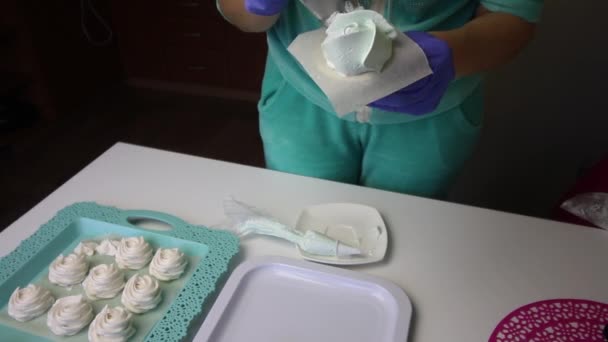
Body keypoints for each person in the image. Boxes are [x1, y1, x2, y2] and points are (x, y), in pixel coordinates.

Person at [217, 0, 543, 198]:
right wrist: (250, 6)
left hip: (430, 114)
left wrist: (455, 54)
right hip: (301, 102)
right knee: (301, 226)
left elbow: (513, 16)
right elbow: (237, 12)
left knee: (403, 241)